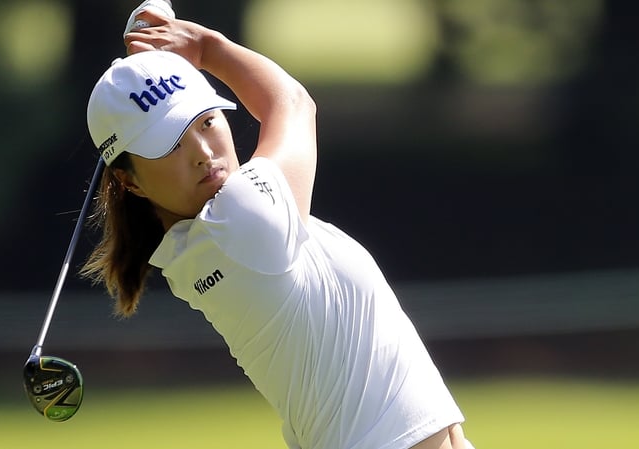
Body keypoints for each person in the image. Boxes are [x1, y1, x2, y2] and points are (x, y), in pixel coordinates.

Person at [83, 2, 474, 448]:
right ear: (128, 181)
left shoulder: (196, 244)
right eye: (170, 145)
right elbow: (293, 103)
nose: (203, 153)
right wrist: (207, 48)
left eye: (206, 121)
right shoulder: (244, 217)